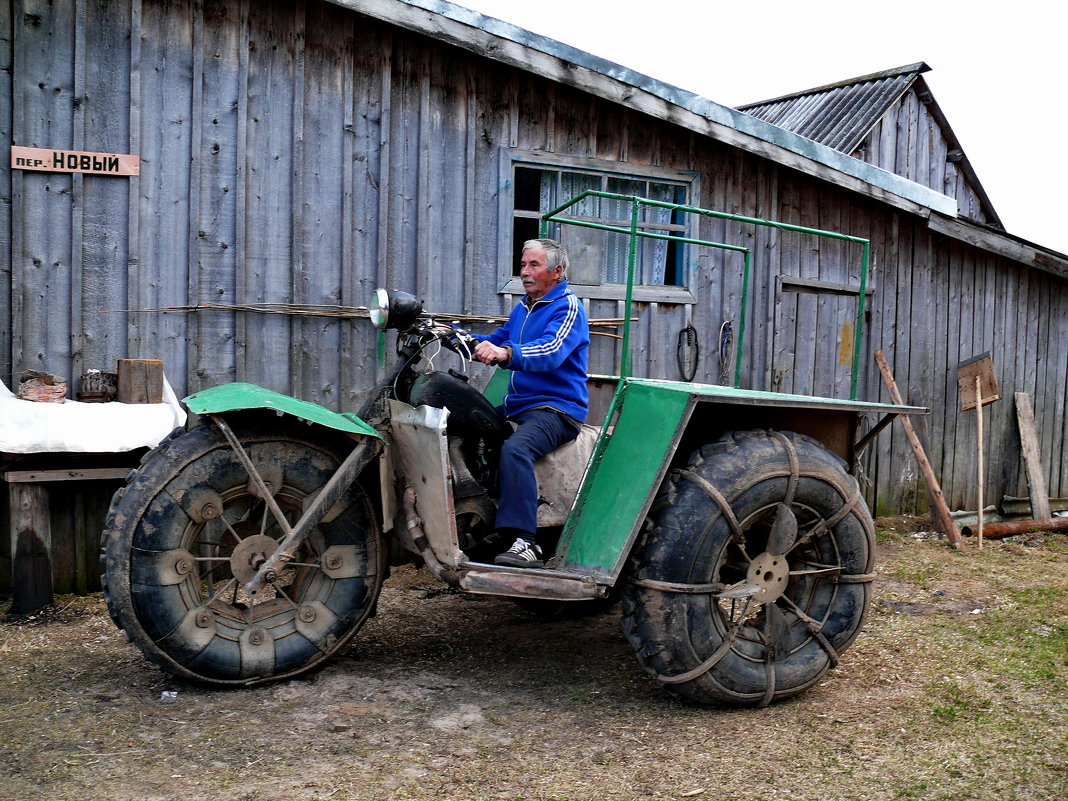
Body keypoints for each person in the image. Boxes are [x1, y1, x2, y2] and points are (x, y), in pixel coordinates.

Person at [472, 238, 590, 568]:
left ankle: (527, 540)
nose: (525, 272)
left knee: (516, 449)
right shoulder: (523, 308)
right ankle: (487, 524)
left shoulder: (568, 307)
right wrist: (451, 335)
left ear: (557, 271)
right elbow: (493, 341)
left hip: (557, 408)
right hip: (520, 405)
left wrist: (507, 353)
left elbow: (551, 350)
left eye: (534, 265)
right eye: (523, 265)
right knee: (467, 427)